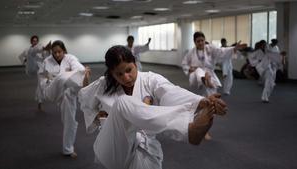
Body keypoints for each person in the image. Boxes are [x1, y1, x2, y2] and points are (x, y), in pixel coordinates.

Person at [78, 45, 227, 169]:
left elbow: (171, 92)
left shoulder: (150, 80)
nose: (126, 77)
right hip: (112, 149)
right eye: (119, 74)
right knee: (123, 103)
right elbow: (84, 98)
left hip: (145, 148)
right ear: (112, 73)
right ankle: (188, 130)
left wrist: (202, 101)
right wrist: (95, 116)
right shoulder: (102, 84)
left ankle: (188, 129)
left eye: (129, 70)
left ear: (135, 64)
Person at [38, 40, 90, 158]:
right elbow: (40, 76)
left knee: (70, 121)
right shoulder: (47, 61)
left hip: (67, 93)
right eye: (54, 52)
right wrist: (46, 81)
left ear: (64, 51)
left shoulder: (70, 58)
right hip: (51, 90)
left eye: (59, 52)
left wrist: (82, 72)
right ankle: (83, 84)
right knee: (62, 77)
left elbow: (78, 68)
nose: (57, 54)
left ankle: (68, 149)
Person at [18, 35, 51, 111]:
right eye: (33, 41)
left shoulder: (39, 48)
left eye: (36, 41)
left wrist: (47, 51)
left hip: (40, 68)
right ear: (31, 41)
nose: (35, 42)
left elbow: (46, 56)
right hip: (31, 68)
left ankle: (40, 101)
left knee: (40, 85)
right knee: (41, 84)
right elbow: (20, 56)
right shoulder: (28, 50)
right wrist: (25, 61)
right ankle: (40, 99)